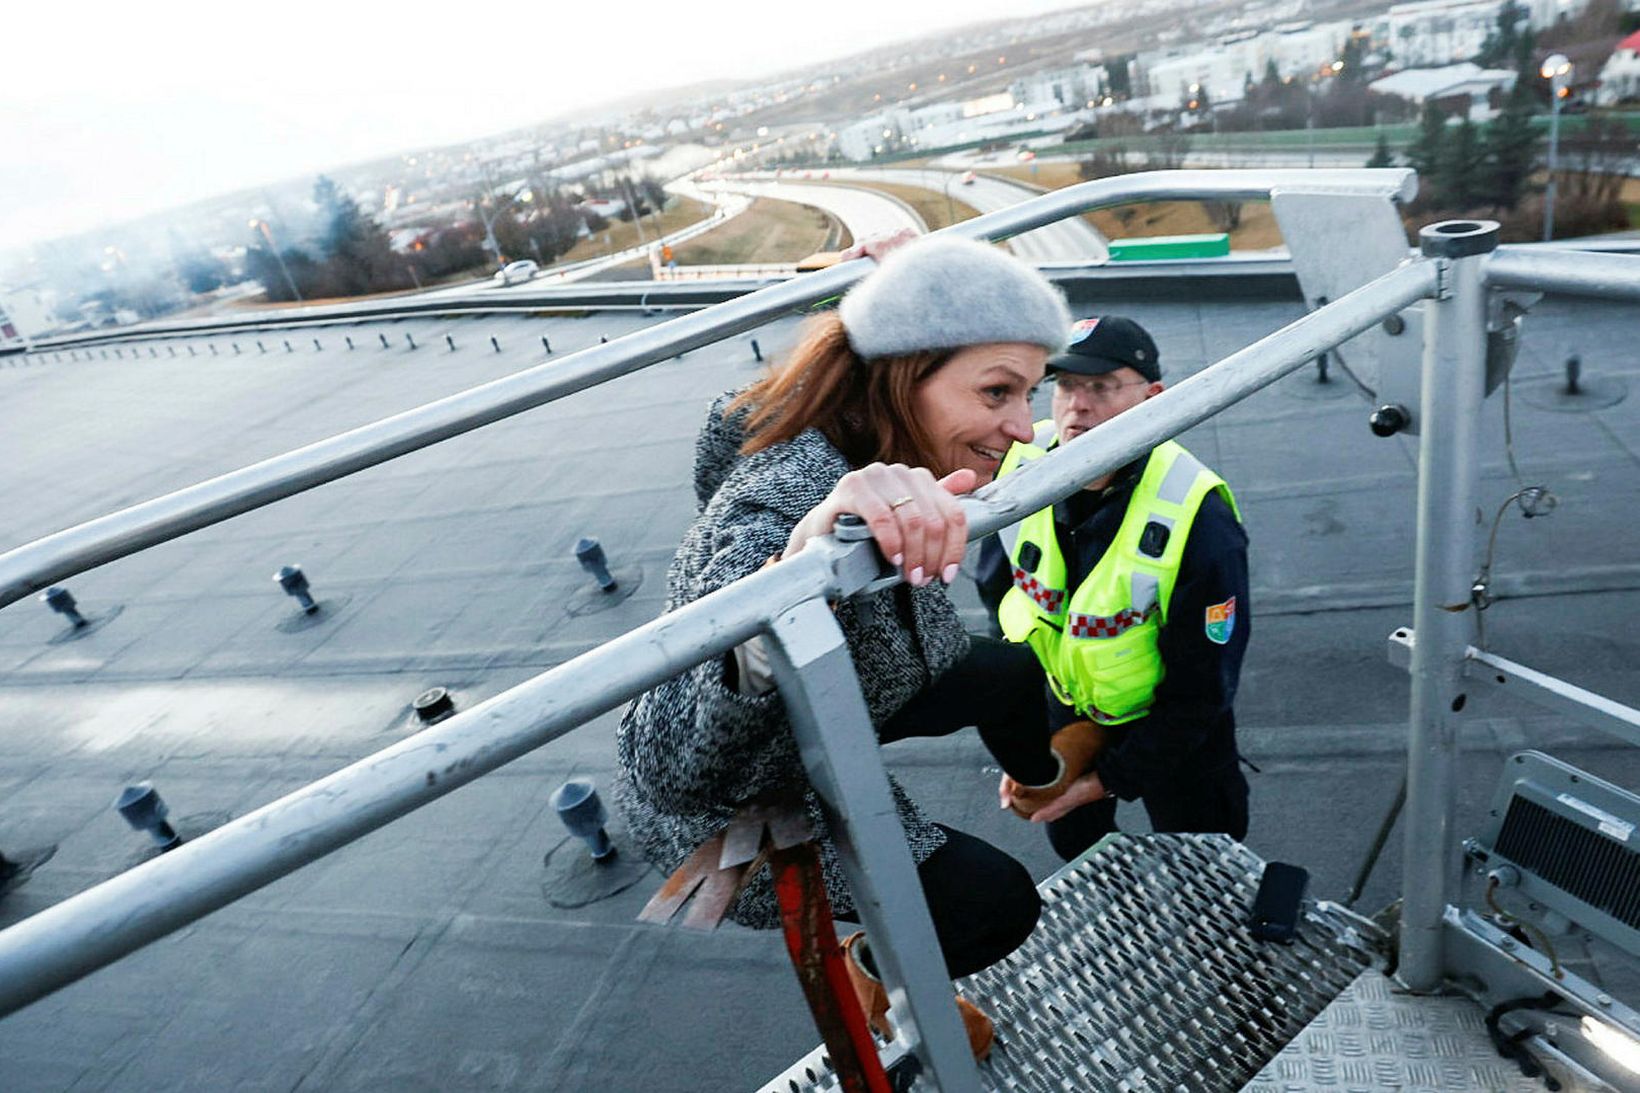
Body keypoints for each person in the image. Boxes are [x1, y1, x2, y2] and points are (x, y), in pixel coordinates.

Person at [616, 235, 1086, 1059]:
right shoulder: (773, 509)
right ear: (903, 378)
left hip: (877, 669)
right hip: (748, 786)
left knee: (1011, 671)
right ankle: (882, 962)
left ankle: (1041, 779)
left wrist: (895, 293)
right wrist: (795, 574)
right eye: (998, 391)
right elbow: (671, 769)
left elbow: (726, 421)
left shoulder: (837, 412)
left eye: (1031, 392)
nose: (1024, 427)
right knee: (993, 902)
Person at [991, 315, 1252, 861]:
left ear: (1154, 398)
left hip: (1172, 726)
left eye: (1102, 387)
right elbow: (1004, 602)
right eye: (1064, 386)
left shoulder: (1196, 517)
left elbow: (1201, 690)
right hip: (1065, 705)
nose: (1075, 407)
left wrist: (1108, 779)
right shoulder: (1020, 469)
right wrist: (1025, 745)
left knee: (1201, 858)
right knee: (1078, 850)